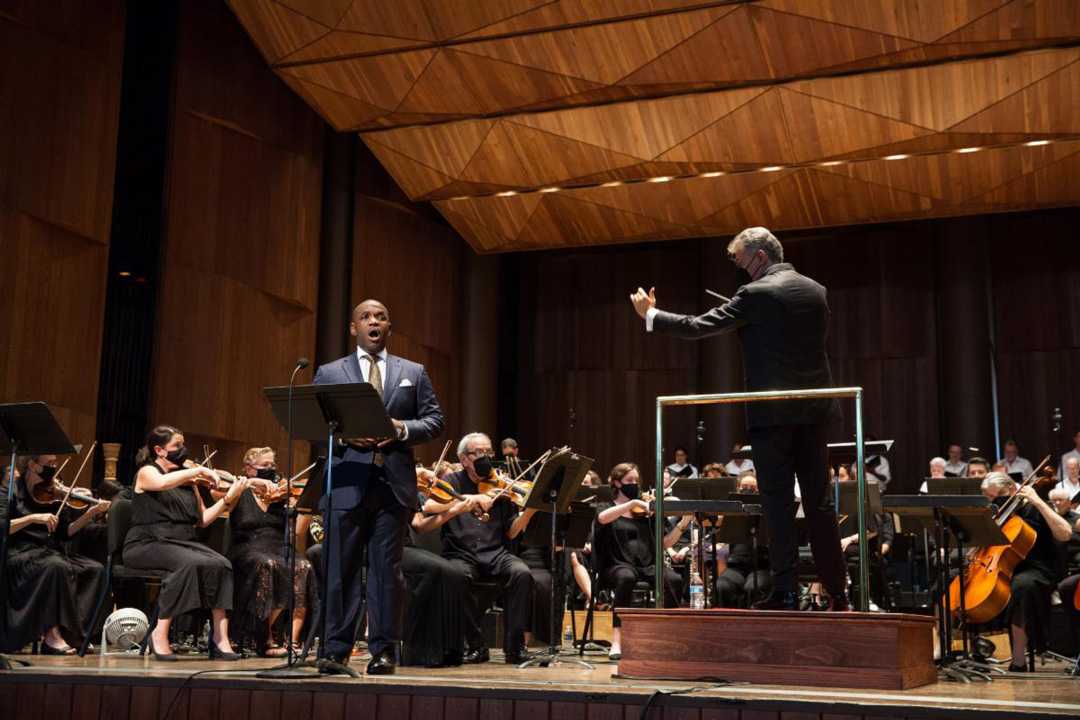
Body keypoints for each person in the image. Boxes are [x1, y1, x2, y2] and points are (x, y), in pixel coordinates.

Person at [631, 226, 848, 610]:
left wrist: (652, 315)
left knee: (778, 504)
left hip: (772, 414)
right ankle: (839, 592)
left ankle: (785, 594)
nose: (741, 269)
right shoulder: (816, 290)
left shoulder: (756, 293)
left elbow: (698, 326)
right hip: (815, 410)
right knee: (820, 504)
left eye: (742, 260)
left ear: (761, 256)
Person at [313, 299, 444, 675]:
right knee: (339, 570)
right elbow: (316, 423)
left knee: (387, 572)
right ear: (353, 328)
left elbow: (434, 420)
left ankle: (384, 651)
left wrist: (402, 429)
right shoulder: (329, 372)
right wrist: (345, 436)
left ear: (389, 327)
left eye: (381, 317)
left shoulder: (413, 372)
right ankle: (334, 649)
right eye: (366, 317)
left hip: (393, 485)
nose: (374, 321)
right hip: (346, 482)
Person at [122, 426, 248, 661]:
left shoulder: (189, 481)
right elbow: (162, 484)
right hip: (147, 542)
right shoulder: (147, 472)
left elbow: (203, 520)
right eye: (177, 446)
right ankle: (160, 634)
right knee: (188, 564)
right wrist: (197, 470)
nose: (183, 450)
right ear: (159, 450)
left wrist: (228, 499)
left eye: (183, 445)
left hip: (182, 542)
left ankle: (220, 638)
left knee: (222, 564)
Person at [440, 432, 538, 664]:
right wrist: (471, 499)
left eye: (488, 452)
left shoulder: (502, 485)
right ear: (464, 459)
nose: (485, 457)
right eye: (478, 452)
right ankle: (476, 646)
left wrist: (530, 511)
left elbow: (511, 532)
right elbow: (436, 506)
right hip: (461, 552)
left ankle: (515, 648)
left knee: (521, 573)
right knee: (456, 575)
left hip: (495, 553)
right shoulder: (451, 482)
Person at [0, 455, 106, 654]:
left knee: (95, 569)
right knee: (56, 566)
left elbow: (66, 532)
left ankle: (74, 633)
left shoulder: (54, 493)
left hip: (48, 551)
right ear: (32, 465)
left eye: (55, 463)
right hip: (20, 553)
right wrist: (32, 518)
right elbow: (3, 526)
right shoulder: (10, 490)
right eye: (49, 463)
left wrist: (90, 513)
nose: (54, 467)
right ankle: (51, 636)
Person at [594, 462, 691, 659]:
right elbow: (602, 518)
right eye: (629, 480)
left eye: (637, 481)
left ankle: (667, 635)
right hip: (616, 565)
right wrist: (631, 504)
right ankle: (617, 640)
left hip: (646, 566)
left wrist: (683, 523)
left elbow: (664, 543)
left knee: (674, 579)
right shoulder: (606, 506)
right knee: (626, 577)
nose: (635, 484)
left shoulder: (646, 513)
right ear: (617, 483)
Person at [980, 472, 1072, 670]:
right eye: (989, 497)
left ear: (1013, 489)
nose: (995, 502)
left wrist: (1037, 500)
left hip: (1038, 568)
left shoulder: (1033, 508)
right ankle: (976, 649)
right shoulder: (995, 513)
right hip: (1004, 566)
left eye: (999, 496)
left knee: (1021, 586)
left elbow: (1065, 534)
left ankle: (1018, 657)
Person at [227, 447, 312, 657]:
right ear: (249, 468)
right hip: (248, 546)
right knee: (268, 564)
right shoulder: (239, 489)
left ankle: (292, 641)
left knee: (303, 566)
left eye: (272, 465)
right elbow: (222, 485)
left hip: (279, 546)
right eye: (265, 465)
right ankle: (264, 637)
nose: (271, 469)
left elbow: (297, 534)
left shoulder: (281, 494)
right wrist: (255, 482)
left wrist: (299, 507)